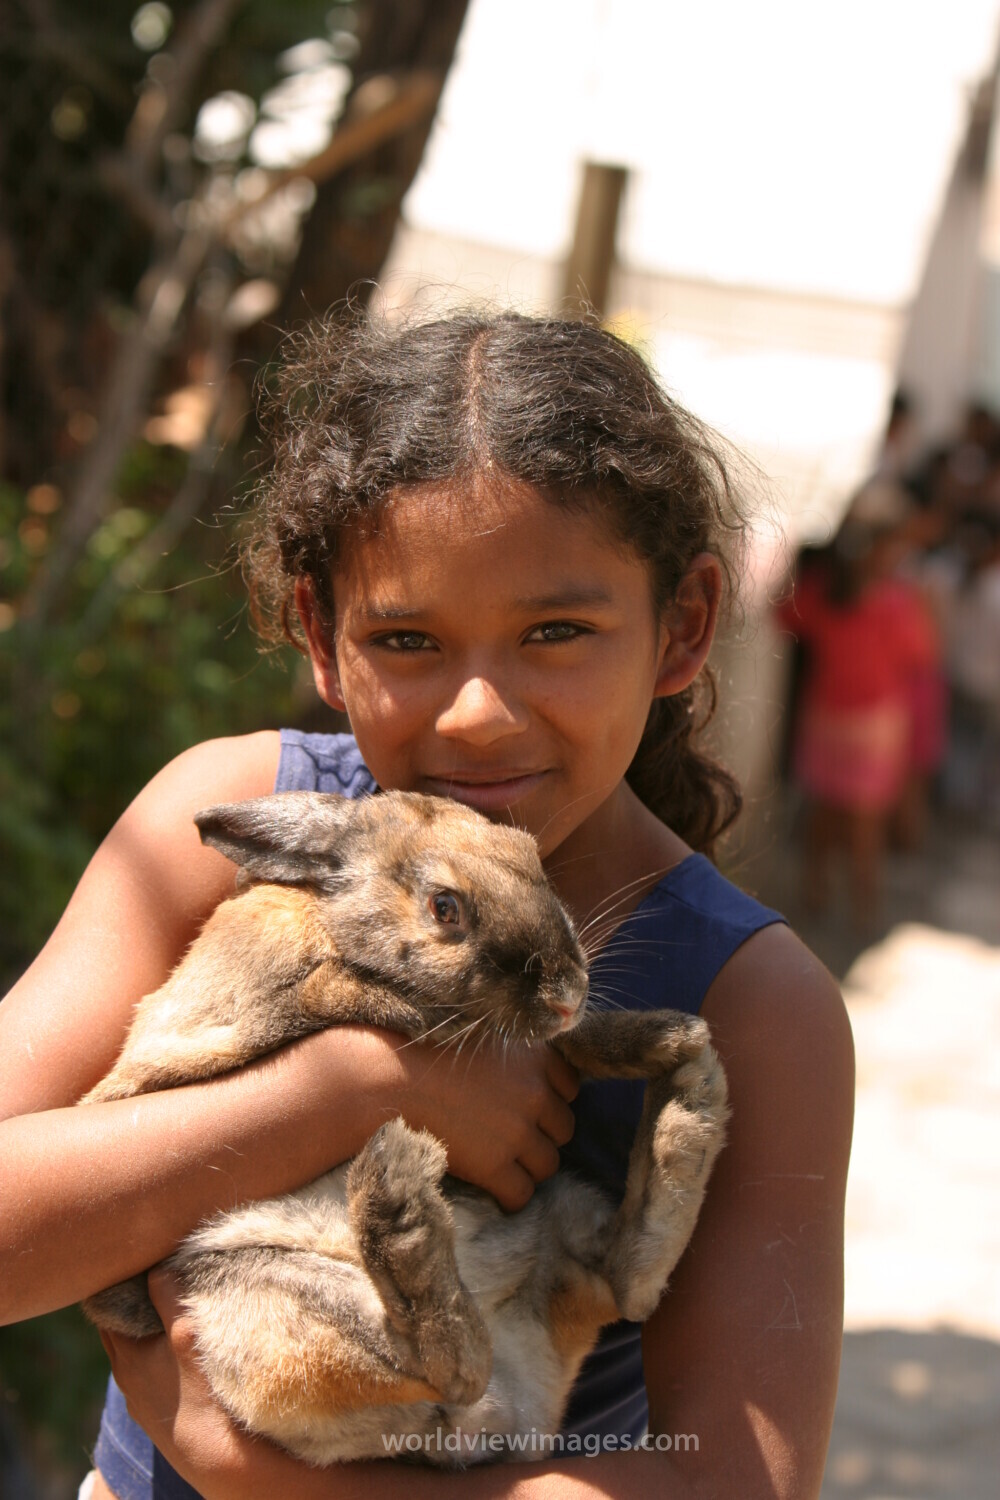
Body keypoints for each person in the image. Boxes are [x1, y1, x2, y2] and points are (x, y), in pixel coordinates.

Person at [0, 310, 853, 1500]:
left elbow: (732, 1482)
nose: (476, 715)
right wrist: (349, 1091)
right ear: (320, 634)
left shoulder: (752, 1007)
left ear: (684, 626)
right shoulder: (235, 828)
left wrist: (272, 1483)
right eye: (406, 638)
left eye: (556, 632)